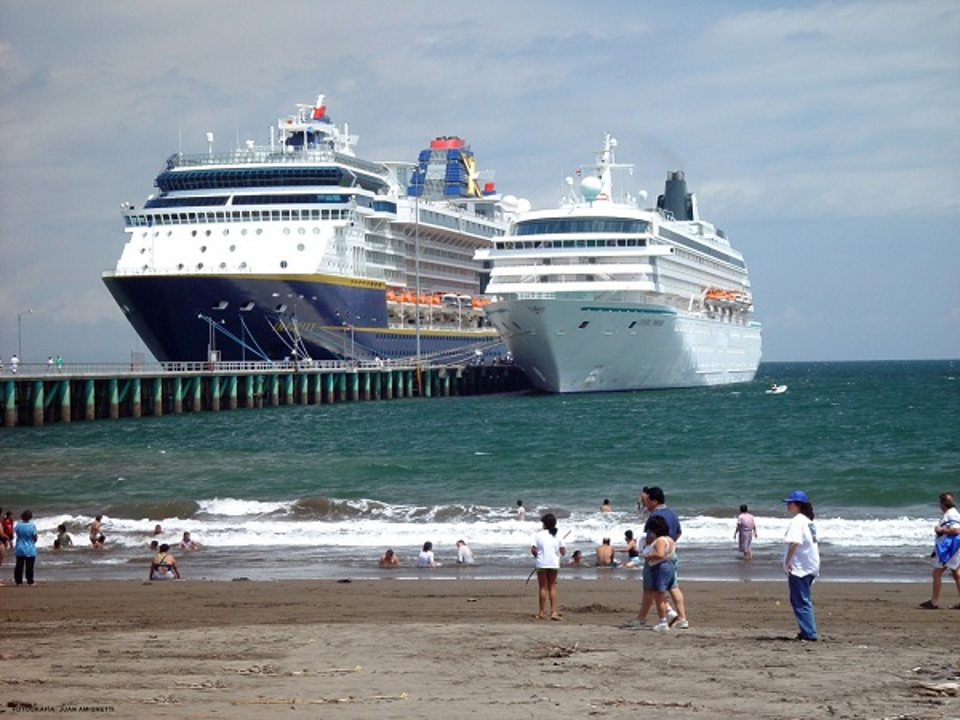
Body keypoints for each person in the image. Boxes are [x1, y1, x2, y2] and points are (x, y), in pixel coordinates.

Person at [782, 490, 820, 641]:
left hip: (800, 568)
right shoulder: (808, 521)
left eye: (790, 503)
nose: (787, 505)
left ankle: (809, 633)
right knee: (802, 599)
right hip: (810, 565)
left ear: (797, 505)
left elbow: (795, 542)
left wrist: (787, 561)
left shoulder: (798, 521)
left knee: (800, 600)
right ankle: (806, 631)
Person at [920, 492, 960, 610]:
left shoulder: (951, 515)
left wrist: (940, 529)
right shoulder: (953, 514)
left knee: (937, 573)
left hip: (949, 550)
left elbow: (957, 530)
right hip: (953, 548)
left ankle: (934, 602)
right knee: (956, 574)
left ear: (943, 504)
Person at [644, 515, 678, 632]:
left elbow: (660, 554)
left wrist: (649, 556)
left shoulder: (660, 540)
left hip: (660, 568)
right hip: (669, 566)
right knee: (660, 593)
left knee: (658, 595)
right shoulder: (670, 539)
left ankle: (662, 621)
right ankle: (670, 612)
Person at [531, 513, 566, 620]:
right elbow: (563, 551)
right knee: (552, 586)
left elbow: (533, 550)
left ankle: (542, 612)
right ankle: (554, 612)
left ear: (545, 524)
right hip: (553, 563)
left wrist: (537, 556)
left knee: (542, 587)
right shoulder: (558, 536)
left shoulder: (538, 535)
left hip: (542, 563)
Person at [14, 509, 39, 586]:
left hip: (20, 546)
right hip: (30, 547)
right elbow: (34, 537)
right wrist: (34, 541)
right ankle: (30, 581)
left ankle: (18, 582)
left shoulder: (18, 525)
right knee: (29, 566)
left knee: (19, 565)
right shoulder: (32, 526)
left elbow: (17, 534)